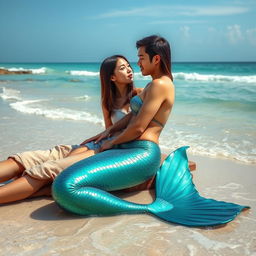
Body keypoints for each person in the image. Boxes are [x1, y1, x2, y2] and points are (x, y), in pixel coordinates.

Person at [52, 35, 249, 227]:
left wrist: (110, 143)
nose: (137, 63)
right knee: (66, 176)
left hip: (141, 153)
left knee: (65, 188)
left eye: (141, 58)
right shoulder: (150, 85)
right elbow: (131, 117)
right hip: (126, 148)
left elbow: (138, 127)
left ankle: (146, 208)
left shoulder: (160, 84)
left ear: (156, 59)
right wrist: (107, 133)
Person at [0, 55, 140, 203]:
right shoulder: (107, 101)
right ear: (112, 77)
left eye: (128, 66)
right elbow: (109, 131)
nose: (129, 70)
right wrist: (89, 144)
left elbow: (136, 129)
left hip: (111, 150)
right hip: (99, 145)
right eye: (122, 68)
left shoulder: (139, 95)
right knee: (25, 159)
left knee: (48, 168)